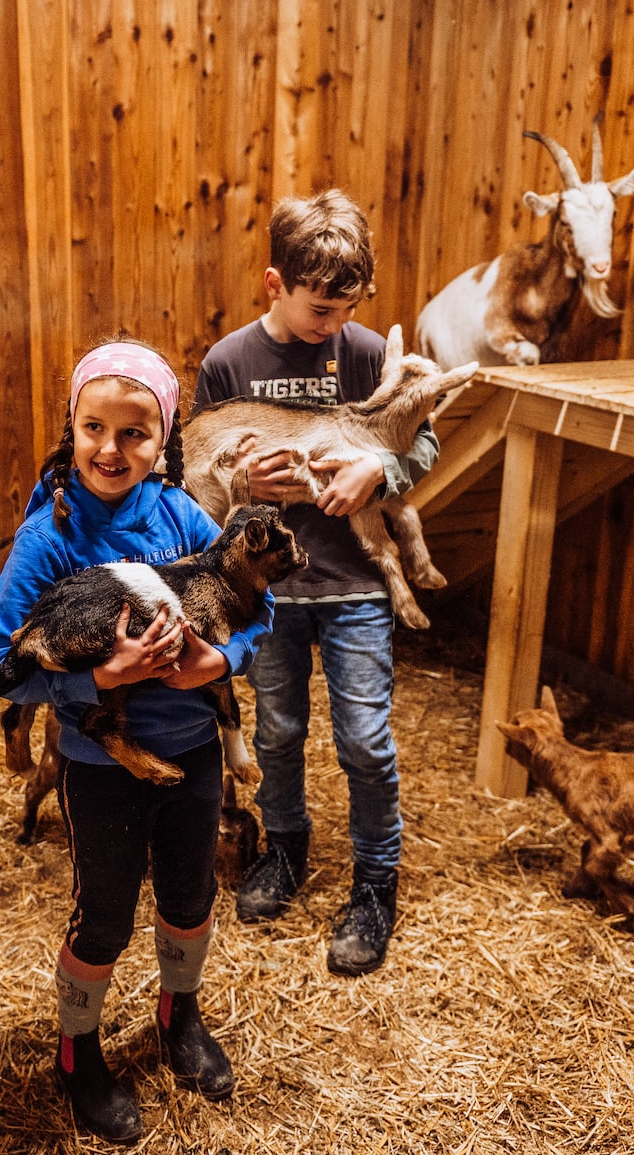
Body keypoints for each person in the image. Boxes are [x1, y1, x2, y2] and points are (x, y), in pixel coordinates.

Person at [0, 339, 275, 1144]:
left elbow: (262, 605)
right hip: (99, 766)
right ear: (71, 428)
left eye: (135, 433)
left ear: (164, 438)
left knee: (190, 897)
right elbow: (0, 665)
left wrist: (223, 660)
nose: (111, 449)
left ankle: (179, 1014)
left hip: (194, 752)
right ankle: (77, 1052)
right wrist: (98, 680)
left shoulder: (182, 516)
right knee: (105, 918)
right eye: (94, 428)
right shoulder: (48, 537)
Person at [194, 188, 438, 977]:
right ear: (275, 284)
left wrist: (380, 469)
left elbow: (423, 444)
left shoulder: (365, 354)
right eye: (319, 309)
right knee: (277, 732)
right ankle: (286, 848)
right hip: (268, 593)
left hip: (354, 582)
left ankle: (375, 882)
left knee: (364, 739)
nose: (333, 324)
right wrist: (243, 481)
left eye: (348, 308)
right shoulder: (229, 363)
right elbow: (197, 473)